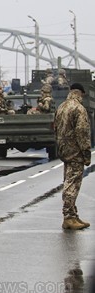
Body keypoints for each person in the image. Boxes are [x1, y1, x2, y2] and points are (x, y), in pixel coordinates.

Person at [53, 83, 92, 230]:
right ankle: (68, 217)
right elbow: (82, 133)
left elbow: (56, 129)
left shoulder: (61, 107)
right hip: (76, 152)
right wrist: (86, 153)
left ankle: (73, 215)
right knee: (73, 184)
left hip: (65, 151)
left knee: (68, 180)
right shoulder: (78, 109)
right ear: (80, 93)